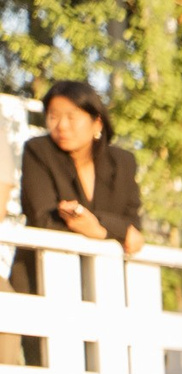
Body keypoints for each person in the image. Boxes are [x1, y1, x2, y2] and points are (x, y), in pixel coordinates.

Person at [12, 80, 146, 296]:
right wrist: (105, 231)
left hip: (105, 286)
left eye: (72, 117)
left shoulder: (123, 162)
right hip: (42, 282)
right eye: (53, 117)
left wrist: (97, 226)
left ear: (97, 122)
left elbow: (134, 227)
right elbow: (42, 218)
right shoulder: (38, 151)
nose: (62, 126)